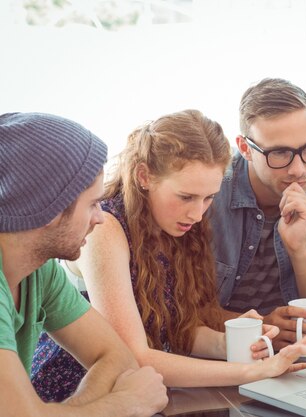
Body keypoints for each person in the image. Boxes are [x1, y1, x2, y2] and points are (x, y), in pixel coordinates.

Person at [30, 109, 306, 401]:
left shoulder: (179, 224)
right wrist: (251, 371)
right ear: (144, 176)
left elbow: (175, 329)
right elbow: (134, 356)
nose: (198, 213)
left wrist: (230, 343)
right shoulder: (105, 227)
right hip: (77, 392)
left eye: (209, 198)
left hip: (148, 392)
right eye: (186, 197)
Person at [0, 112, 167, 416]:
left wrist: (71, 410)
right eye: (92, 203)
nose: (100, 217)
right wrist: (127, 403)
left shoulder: (40, 272)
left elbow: (117, 358)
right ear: (49, 208)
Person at [211, 78, 306, 349]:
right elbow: (177, 311)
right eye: (279, 153)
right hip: (225, 356)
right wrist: (262, 328)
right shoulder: (212, 188)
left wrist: (300, 248)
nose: (299, 170)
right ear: (245, 148)